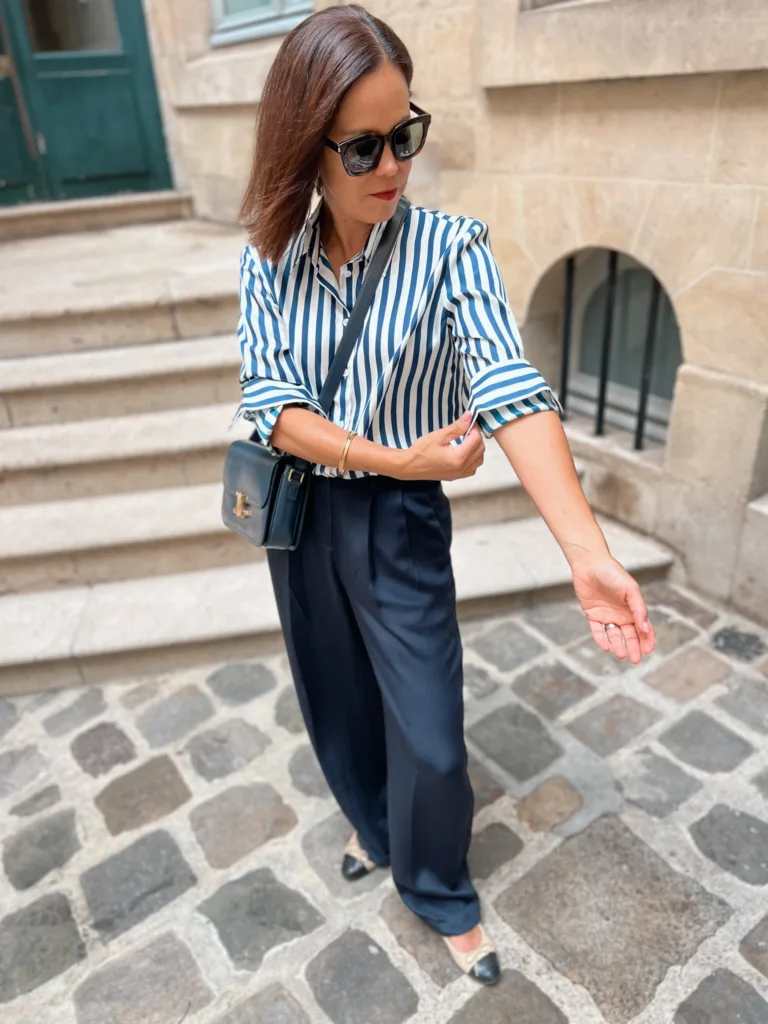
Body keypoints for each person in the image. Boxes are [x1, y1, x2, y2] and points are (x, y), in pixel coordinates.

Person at [235, 3, 656, 987]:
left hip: (397, 526)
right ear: (309, 144)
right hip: (305, 516)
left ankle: (438, 884)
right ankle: (372, 821)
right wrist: (396, 457)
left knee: (426, 717)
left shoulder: (450, 249)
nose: (392, 166)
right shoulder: (271, 255)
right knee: (335, 695)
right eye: (364, 146)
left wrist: (586, 550)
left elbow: (511, 389)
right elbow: (271, 407)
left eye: (407, 134)